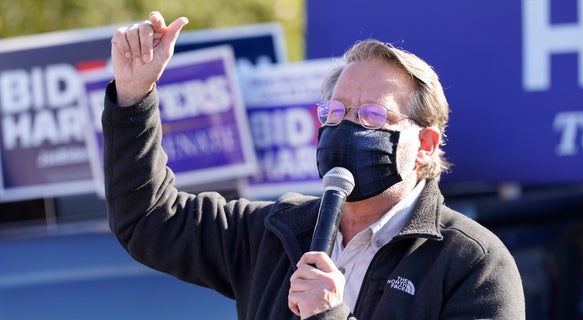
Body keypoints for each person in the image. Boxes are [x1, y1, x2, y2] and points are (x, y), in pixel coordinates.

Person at [104, 11, 526, 320]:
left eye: (372, 117)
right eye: (335, 113)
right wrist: (134, 95)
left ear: (425, 145)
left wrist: (330, 316)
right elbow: (147, 219)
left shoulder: (473, 263)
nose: (347, 128)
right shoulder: (274, 232)